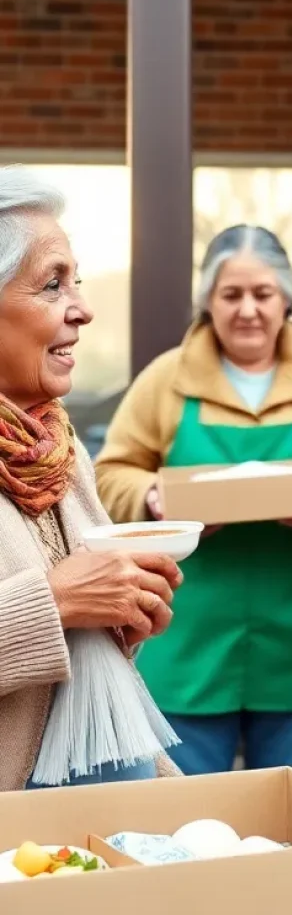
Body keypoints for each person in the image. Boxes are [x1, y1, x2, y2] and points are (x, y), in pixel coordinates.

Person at [95, 224, 292, 781]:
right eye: (231, 295)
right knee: (186, 829)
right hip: (187, 640)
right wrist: (155, 498)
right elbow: (110, 472)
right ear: (208, 303)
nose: (248, 310)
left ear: (287, 300)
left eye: (262, 294)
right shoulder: (165, 379)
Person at [0, 165, 182, 791]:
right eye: (53, 285)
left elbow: (74, 641)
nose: (83, 308)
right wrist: (54, 603)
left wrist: (124, 613)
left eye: (75, 281)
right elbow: (54, 605)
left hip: (83, 831)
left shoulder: (56, 445)